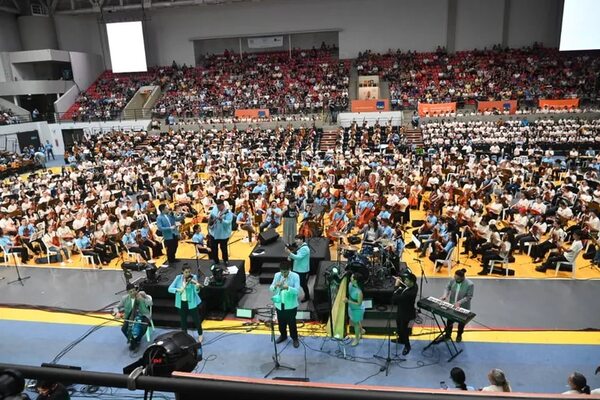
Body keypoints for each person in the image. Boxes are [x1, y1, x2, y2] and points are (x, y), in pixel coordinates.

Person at [168, 264, 204, 343]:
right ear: (182, 272)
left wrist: (197, 287)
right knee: (183, 320)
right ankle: (185, 336)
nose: (188, 274)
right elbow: (170, 289)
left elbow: (196, 292)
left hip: (191, 302)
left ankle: (200, 334)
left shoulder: (193, 277)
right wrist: (177, 290)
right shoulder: (178, 278)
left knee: (196, 319)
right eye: (186, 272)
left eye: (189, 272)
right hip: (181, 303)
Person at [112, 283, 152, 351]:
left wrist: (144, 297)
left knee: (143, 328)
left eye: (134, 290)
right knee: (124, 329)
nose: (133, 293)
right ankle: (133, 341)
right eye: (131, 292)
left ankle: (138, 339)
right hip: (130, 317)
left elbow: (150, 303)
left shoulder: (141, 295)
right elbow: (116, 307)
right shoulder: (124, 298)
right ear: (127, 292)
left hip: (143, 315)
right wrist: (117, 312)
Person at [269, 263, 301, 348]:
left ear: (289, 269)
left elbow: (297, 291)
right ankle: (283, 335)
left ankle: (294, 338)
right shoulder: (277, 275)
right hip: (280, 304)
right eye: (282, 272)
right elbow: (271, 288)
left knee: (292, 323)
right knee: (281, 322)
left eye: (285, 272)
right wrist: (275, 286)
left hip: (290, 305)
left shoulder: (295, 276)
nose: (283, 274)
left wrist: (288, 288)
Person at [440, 269, 473, 342]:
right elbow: (447, 287)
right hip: (452, 305)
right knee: (449, 321)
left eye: (457, 279)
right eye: (455, 277)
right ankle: (448, 335)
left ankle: (459, 335)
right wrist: (445, 295)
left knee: (461, 323)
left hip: (463, 307)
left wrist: (459, 303)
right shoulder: (453, 280)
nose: (455, 279)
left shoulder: (470, 284)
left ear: (462, 278)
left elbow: (469, 297)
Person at [391, 272, 418, 355]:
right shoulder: (414, 285)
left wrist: (396, 286)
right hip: (401, 310)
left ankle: (407, 345)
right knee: (398, 324)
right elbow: (405, 285)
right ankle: (400, 339)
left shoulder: (409, 293)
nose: (405, 282)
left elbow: (395, 298)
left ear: (411, 282)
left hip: (406, 313)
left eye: (406, 281)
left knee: (404, 329)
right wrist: (401, 279)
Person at [284, 234, 311, 303]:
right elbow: (296, 254)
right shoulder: (300, 246)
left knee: (303, 283)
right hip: (296, 268)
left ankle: (307, 296)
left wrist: (289, 253)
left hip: (302, 269)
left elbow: (298, 258)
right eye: (295, 239)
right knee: (293, 282)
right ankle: (293, 294)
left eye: (297, 239)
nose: (296, 241)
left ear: (302, 240)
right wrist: (290, 256)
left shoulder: (305, 249)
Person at [207, 199, 233, 266]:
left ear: (223, 205)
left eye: (219, 207)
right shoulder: (215, 208)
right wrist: (210, 223)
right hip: (214, 232)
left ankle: (225, 260)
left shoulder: (228, 212)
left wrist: (222, 220)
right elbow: (212, 216)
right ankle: (216, 261)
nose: (218, 208)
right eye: (217, 206)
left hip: (223, 234)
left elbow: (228, 222)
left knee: (223, 248)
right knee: (214, 248)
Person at [344, 272, 365, 346]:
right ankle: (362, 330)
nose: (350, 278)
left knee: (355, 323)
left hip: (357, 310)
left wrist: (348, 301)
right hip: (351, 307)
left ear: (355, 281)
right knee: (356, 320)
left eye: (352, 277)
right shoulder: (350, 284)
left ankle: (357, 339)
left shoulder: (359, 292)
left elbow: (359, 304)